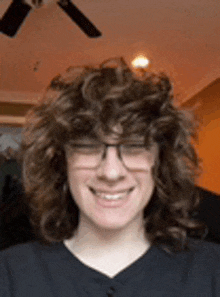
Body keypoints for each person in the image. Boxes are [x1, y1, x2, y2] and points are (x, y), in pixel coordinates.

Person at [0, 57, 220, 296]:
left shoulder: (211, 271)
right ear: (62, 161)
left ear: (160, 161)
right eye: (88, 147)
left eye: (134, 146)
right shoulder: (10, 273)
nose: (111, 172)